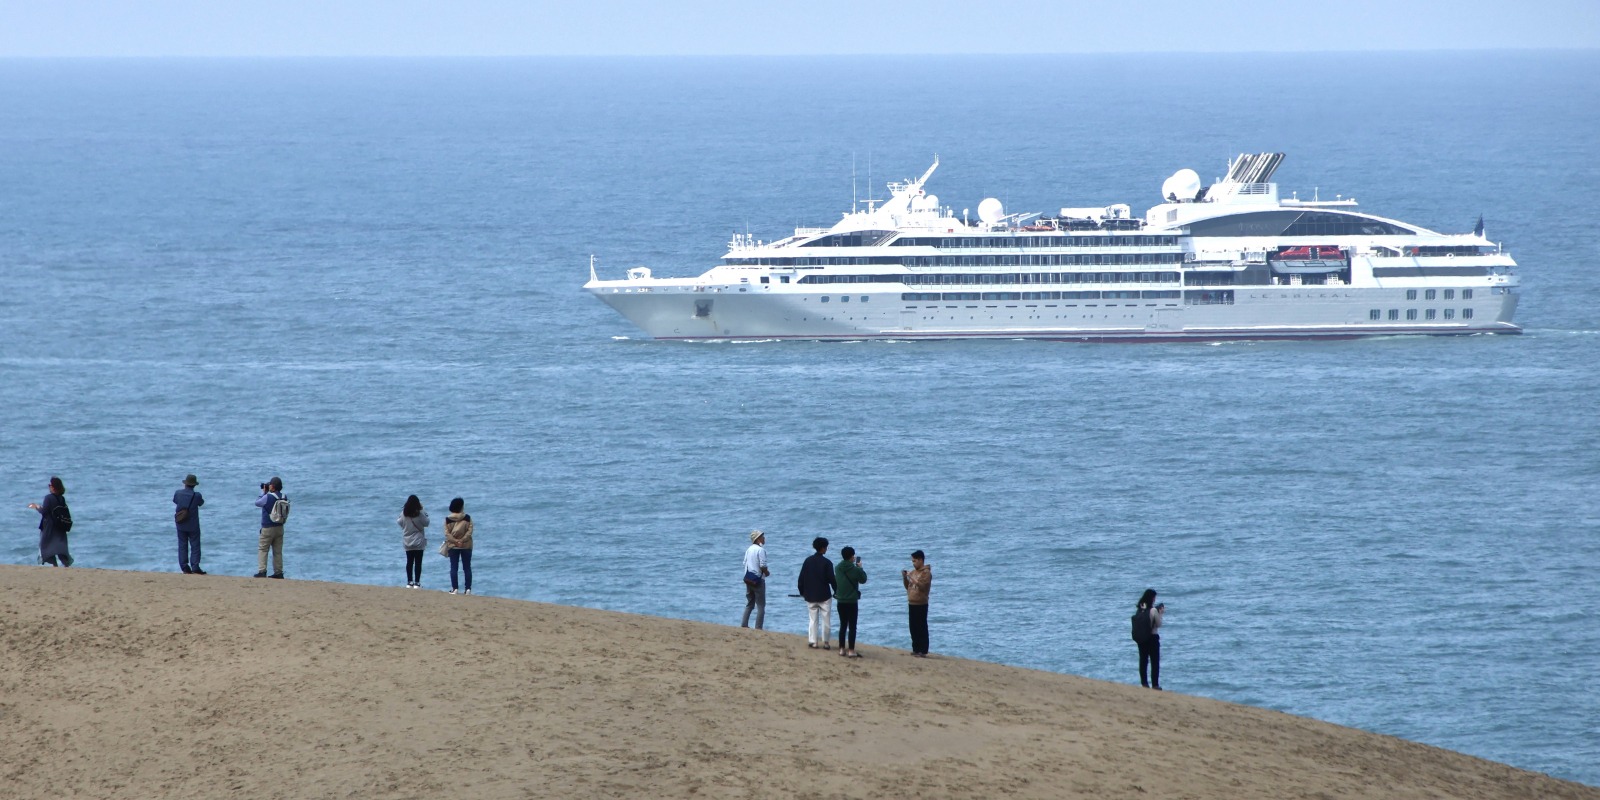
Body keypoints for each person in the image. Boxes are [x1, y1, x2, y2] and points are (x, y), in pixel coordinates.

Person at [797, 537, 836, 650]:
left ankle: (813, 641)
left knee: (813, 619)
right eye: (826, 547)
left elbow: (801, 579)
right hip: (824, 595)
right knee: (826, 619)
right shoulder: (827, 563)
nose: (826, 549)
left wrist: (802, 592)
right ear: (823, 548)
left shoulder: (808, 561)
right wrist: (836, 591)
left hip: (810, 595)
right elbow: (832, 579)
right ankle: (826, 642)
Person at [27, 476, 72, 567]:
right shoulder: (61, 498)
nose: (49, 486)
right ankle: (66, 565)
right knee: (60, 548)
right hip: (60, 527)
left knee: (46, 547)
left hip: (50, 528)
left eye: (50, 485)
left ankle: (55, 566)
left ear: (53, 487)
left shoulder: (48, 498)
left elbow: (44, 512)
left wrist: (36, 507)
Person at [834, 546, 867, 658]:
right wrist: (860, 567)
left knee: (843, 625)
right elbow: (863, 580)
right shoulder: (855, 569)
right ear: (852, 556)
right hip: (852, 601)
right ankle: (851, 650)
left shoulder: (837, 568)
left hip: (840, 600)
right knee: (852, 626)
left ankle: (842, 649)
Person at [253, 477, 286, 579]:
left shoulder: (268, 497)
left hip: (268, 527)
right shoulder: (284, 496)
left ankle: (262, 571)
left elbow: (257, 503)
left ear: (272, 486)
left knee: (263, 549)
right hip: (280, 527)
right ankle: (278, 572)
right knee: (277, 551)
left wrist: (264, 492)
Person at [1132, 588, 1165, 690]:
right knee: (1154, 662)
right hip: (1152, 638)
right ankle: (1155, 684)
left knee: (1143, 661)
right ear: (1152, 598)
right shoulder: (1153, 610)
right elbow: (1159, 624)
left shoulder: (1140, 609)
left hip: (1142, 638)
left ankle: (1144, 683)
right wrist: (1161, 613)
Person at [172, 474, 206, 574]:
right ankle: (195, 566)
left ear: (185, 484)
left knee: (182, 544)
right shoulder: (197, 495)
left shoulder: (178, 493)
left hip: (181, 522)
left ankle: (184, 566)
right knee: (195, 545)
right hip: (193, 524)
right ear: (194, 485)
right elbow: (201, 503)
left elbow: (175, 501)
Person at [902, 549, 932, 657]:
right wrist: (905, 577)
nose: (913, 563)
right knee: (913, 627)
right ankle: (916, 649)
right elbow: (908, 587)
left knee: (921, 627)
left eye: (914, 561)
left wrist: (912, 578)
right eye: (912, 561)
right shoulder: (913, 572)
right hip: (912, 602)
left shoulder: (926, 573)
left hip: (921, 603)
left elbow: (923, 586)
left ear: (920, 560)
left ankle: (923, 650)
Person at [442, 497, 474, 595]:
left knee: (454, 567)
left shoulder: (448, 519)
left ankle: (454, 588)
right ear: (461, 507)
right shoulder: (467, 518)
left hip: (453, 546)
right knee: (467, 568)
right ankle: (468, 589)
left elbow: (447, 534)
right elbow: (470, 531)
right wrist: (462, 540)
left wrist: (455, 541)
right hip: (466, 545)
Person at [740, 530, 770, 629]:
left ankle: (744, 624)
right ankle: (758, 627)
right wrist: (767, 572)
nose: (764, 538)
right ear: (757, 539)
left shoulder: (748, 549)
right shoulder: (760, 550)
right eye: (762, 537)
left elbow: (745, 563)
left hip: (748, 579)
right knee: (761, 606)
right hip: (758, 580)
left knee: (749, 603)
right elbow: (762, 565)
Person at [398, 494, 429, 588]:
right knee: (418, 562)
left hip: (407, 540)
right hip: (419, 540)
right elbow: (427, 522)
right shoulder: (420, 512)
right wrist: (423, 510)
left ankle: (409, 582)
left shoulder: (404, 513)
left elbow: (399, 522)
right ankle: (417, 582)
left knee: (409, 562)